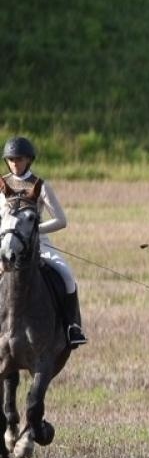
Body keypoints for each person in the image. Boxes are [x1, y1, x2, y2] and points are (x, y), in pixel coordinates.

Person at [1, 136, 88, 348]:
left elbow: (61, 220)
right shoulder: (2, 184)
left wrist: (33, 232)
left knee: (67, 276)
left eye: (19, 159)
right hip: (6, 242)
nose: (14, 163)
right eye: (11, 159)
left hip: (38, 242)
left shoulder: (40, 185)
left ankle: (72, 326)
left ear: (29, 160)